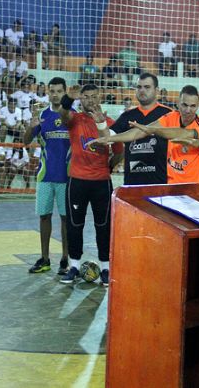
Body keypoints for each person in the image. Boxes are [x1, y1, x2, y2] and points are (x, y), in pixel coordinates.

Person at [58, 84, 122, 286]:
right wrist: (68, 97)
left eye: (94, 96)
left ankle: (105, 268)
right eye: (85, 97)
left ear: (99, 97)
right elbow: (62, 113)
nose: (90, 100)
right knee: (74, 224)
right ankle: (74, 266)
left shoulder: (109, 122)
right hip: (77, 181)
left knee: (103, 226)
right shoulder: (75, 120)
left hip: (101, 182)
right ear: (81, 99)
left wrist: (108, 166)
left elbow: (119, 150)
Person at [23, 77, 70, 275]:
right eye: (52, 91)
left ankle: (66, 260)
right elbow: (26, 141)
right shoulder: (41, 116)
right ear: (48, 93)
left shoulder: (71, 116)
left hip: (68, 177)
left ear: (65, 92)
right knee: (44, 217)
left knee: (66, 220)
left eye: (59, 91)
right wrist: (31, 126)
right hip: (45, 176)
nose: (55, 94)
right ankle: (44, 258)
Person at [88, 73, 171, 185]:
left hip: (160, 183)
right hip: (132, 183)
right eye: (139, 87)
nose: (142, 90)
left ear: (157, 90)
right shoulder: (127, 116)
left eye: (147, 87)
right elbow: (108, 138)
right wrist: (101, 124)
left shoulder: (168, 114)